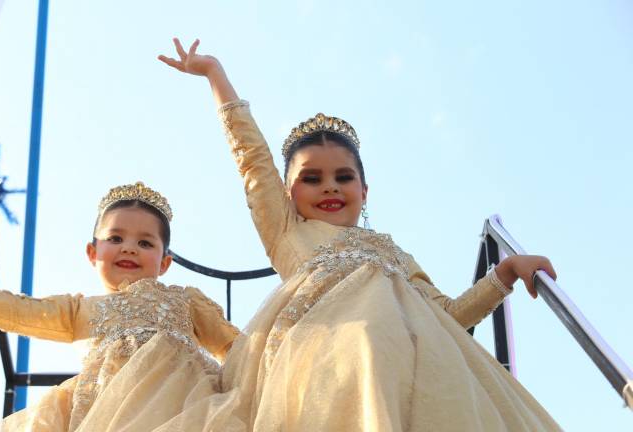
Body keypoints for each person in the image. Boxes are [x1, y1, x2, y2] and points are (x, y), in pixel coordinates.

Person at [159, 38, 562, 430]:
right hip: (331, 360)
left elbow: (451, 317)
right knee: (365, 344)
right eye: (312, 178)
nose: (330, 187)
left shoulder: (394, 255)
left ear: (364, 192)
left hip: (408, 368)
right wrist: (215, 74)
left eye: (343, 177)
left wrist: (503, 274)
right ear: (286, 194)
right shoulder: (287, 231)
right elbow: (252, 158)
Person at [0, 182, 240, 432]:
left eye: (145, 243)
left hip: (182, 404)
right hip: (105, 409)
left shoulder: (184, 298)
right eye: (115, 238)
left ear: (164, 262)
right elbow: (21, 311)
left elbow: (236, 347)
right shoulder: (82, 309)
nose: (130, 249)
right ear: (92, 253)